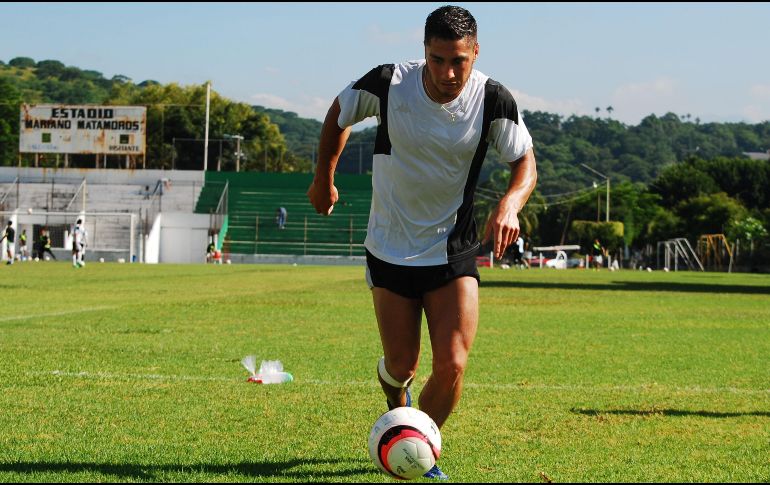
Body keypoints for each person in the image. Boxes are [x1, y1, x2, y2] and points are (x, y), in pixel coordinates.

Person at [306, 6, 536, 480]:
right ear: (423, 53)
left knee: (452, 364)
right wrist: (322, 178)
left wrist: (510, 204)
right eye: (437, 60)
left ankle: (418, 450)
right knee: (401, 363)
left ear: (475, 52)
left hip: (452, 248)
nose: (449, 73)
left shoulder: (493, 98)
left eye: (459, 61)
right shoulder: (389, 83)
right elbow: (338, 113)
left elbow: (525, 163)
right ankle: (397, 403)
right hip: (389, 245)